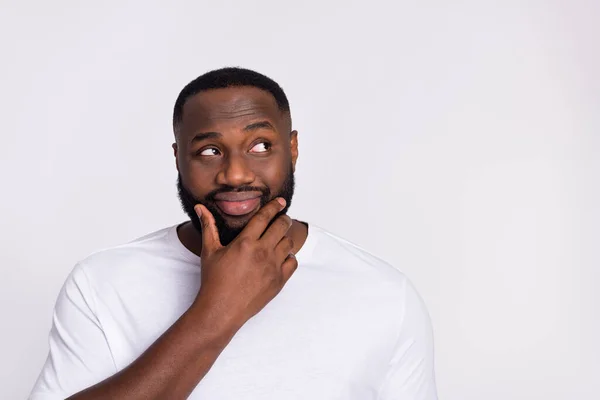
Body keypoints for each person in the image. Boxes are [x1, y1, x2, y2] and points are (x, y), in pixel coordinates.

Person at [30, 67, 438, 400]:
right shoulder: (101, 283)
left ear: (292, 150)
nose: (236, 174)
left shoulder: (383, 293)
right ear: (178, 158)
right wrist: (217, 311)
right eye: (209, 151)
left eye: (260, 145)